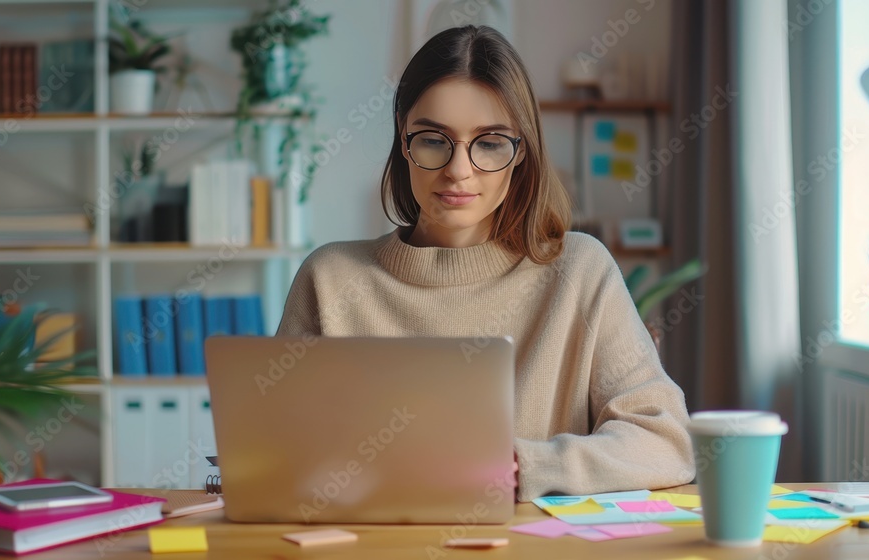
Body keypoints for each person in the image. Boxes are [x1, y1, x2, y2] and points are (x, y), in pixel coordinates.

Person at [276, 25, 695, 502]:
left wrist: (522, 467)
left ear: (521, 152)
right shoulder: (329, 279)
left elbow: (668, 443)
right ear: (402, 138)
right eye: (434, 138)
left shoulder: (579, 271)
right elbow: (273, 455)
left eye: (490, 142)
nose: (458, 169)